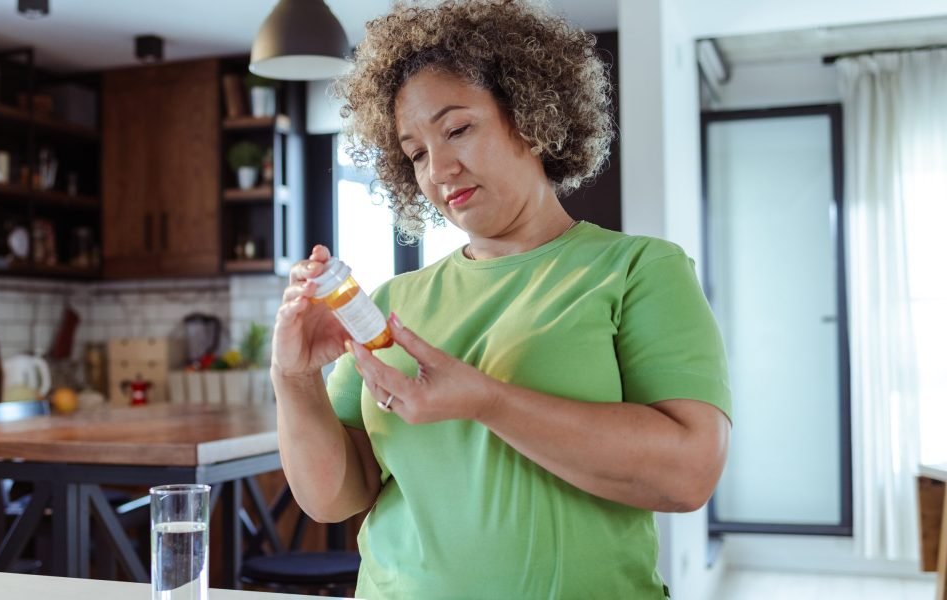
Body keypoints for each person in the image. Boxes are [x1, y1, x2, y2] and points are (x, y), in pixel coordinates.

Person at [270, 1, 732, 597]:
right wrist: (293, 377)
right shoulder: (390, 302)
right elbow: (333, 498)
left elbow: (689, 474)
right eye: (415, 152)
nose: (438, 169)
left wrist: (486, 402)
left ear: (531, 117)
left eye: (457, 129)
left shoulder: (638, 269)